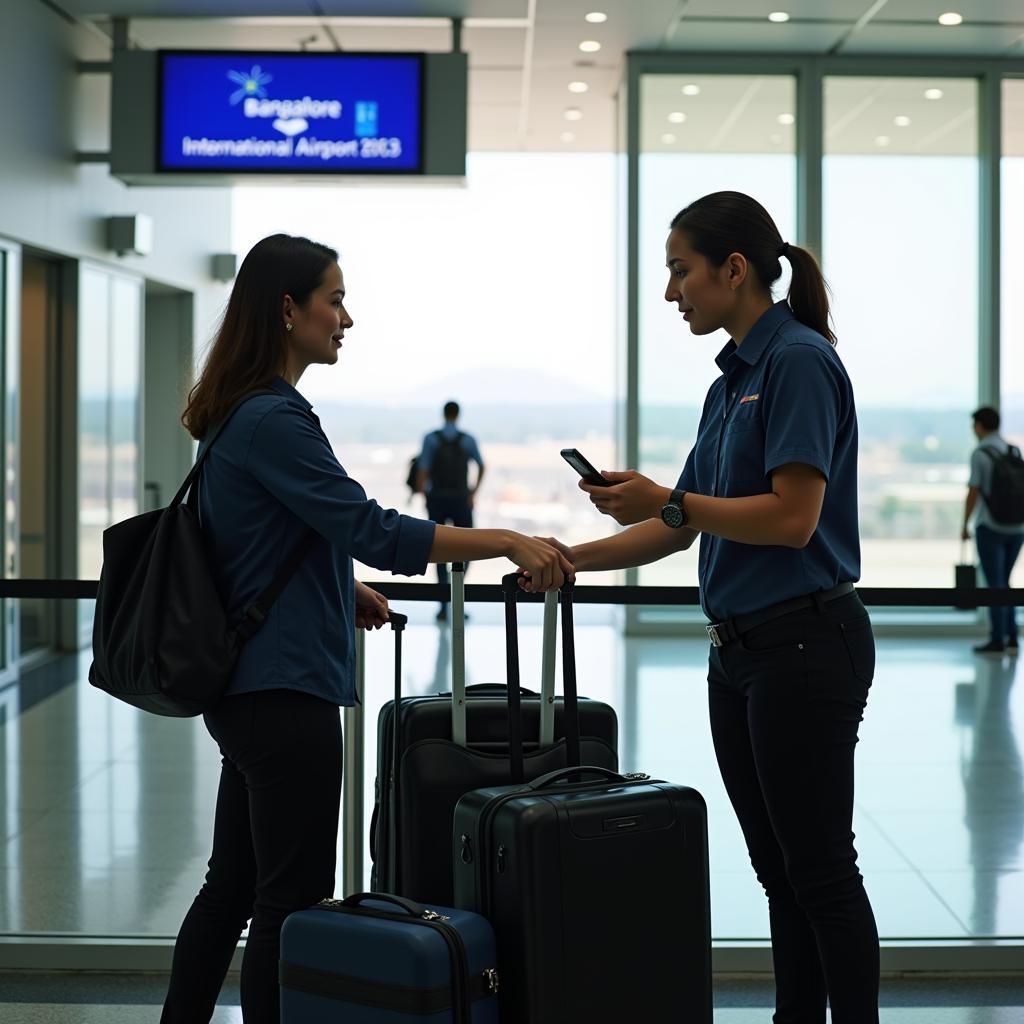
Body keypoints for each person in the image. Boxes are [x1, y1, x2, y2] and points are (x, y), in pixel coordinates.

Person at [160, 234, 571, 1024]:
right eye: (334, 299)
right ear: (288, 310)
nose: (347, 318)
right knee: (287, 903)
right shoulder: (273, 417)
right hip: (283, 696)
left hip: (249, 690)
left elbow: (250, 542)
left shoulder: (236, 414)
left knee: (233, 889)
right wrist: (504, 540)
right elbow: (374, 528)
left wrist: (333, 584)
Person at [533, 192, 879, 1023]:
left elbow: (792, 520)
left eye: (679, 271)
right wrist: (567, 559)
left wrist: (674, 500)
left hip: (804, 646)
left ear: (733, 269)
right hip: (742, 655)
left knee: (822, 870)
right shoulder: (731, 381)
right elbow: (678, 526)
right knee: (779, 868)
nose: (670, 292)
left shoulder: (796, 362)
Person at [961, 406, 1024, 654]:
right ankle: (1011, 636)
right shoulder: (1013, 449)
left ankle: (997, 638)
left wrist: (964, 524)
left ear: (979, 426)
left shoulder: (980, 454)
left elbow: (974, 491)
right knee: (1005, 583)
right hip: (1018, 526)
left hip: (990, 526)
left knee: (994, 583)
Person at [415, 401, 485, 621]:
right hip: (461, 498)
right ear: (458, 415)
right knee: (469, 548)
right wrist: (473, 492)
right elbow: (481, 465)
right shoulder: (468, 439)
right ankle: (457, 597)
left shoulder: (431, 438)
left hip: (437, 499)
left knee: (437, 551)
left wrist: (424, 495)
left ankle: (444, 607)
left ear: (443, 414)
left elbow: (423, 470)